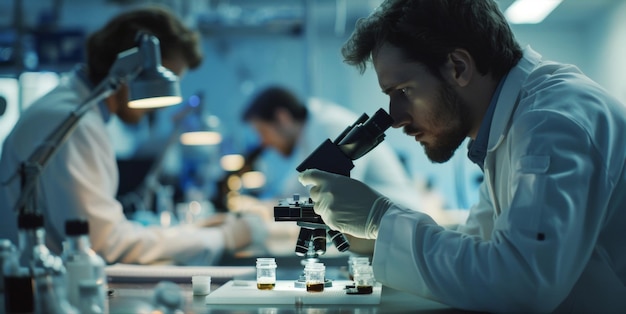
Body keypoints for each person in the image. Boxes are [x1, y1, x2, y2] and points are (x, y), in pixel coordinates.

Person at [298, 0, 626, 312]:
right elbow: (478, 251)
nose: (395, 117)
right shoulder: (511, 128)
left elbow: (523, 282)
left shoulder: (550, 121)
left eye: (404, 91)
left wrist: (380, 218)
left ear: (458, 67)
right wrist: (376, 232)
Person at [0, 6, 254, 266]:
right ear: (130, 71)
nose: (161, 103)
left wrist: (190, 232)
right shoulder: (74, 123)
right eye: (163, 79)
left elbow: (104, 231)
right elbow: (105, 244)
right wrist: (219, 238)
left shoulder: (71, 110)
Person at [242, 86, 430, 255]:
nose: (264, 143)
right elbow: (295, 190)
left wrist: (263, 217)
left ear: (282, 117)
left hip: (397, 227)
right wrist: (262, 207)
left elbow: (334, 198)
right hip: (375, 230)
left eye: (263, 132)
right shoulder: (309, 134)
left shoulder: (327, 127)